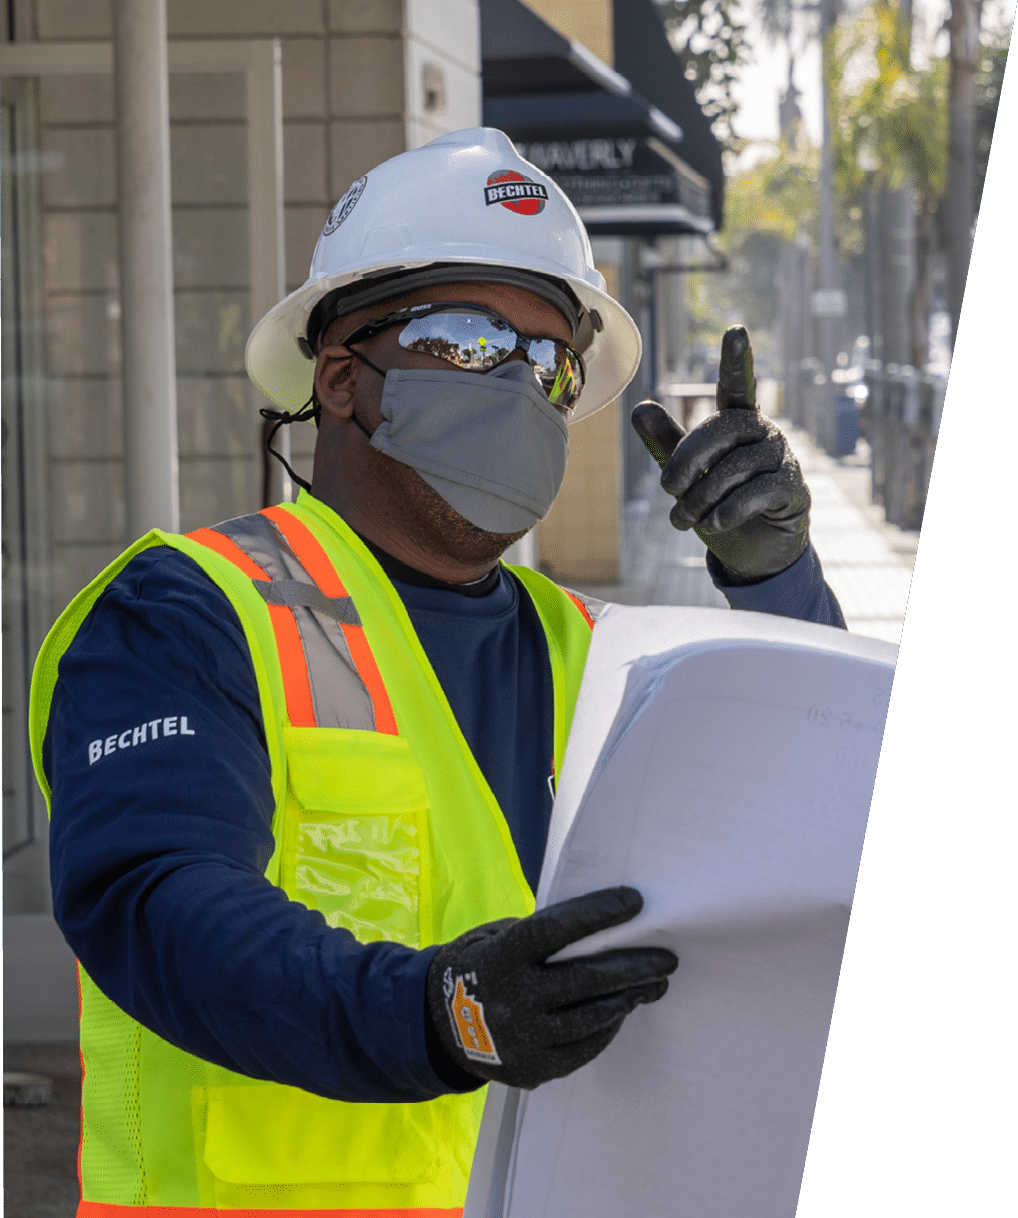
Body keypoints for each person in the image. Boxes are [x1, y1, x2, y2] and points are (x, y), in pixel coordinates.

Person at [30, 128, 844, 1216]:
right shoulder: (187, 615)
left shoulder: (601, 656)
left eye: (546, 361)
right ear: (340, 379)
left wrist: (778, 581)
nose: (515, 380)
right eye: (467, 339)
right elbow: (154, 904)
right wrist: (435, 1013)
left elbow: (829, 848)